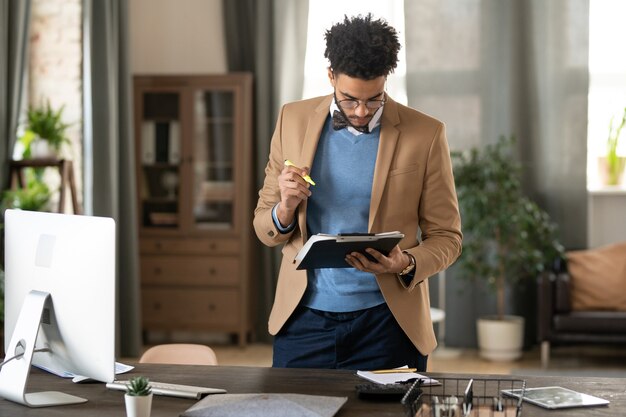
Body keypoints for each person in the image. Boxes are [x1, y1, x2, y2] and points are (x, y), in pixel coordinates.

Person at [253, 13, 462, 371]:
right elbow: (264, 228)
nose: (362, 112)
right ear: (331, 75)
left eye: (374, 100)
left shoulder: (426, 134)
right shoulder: (292, 119)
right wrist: (285, 208)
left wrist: (406, 263)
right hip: (303, 321)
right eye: (350, 100)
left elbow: (448, 237)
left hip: (389, 323)